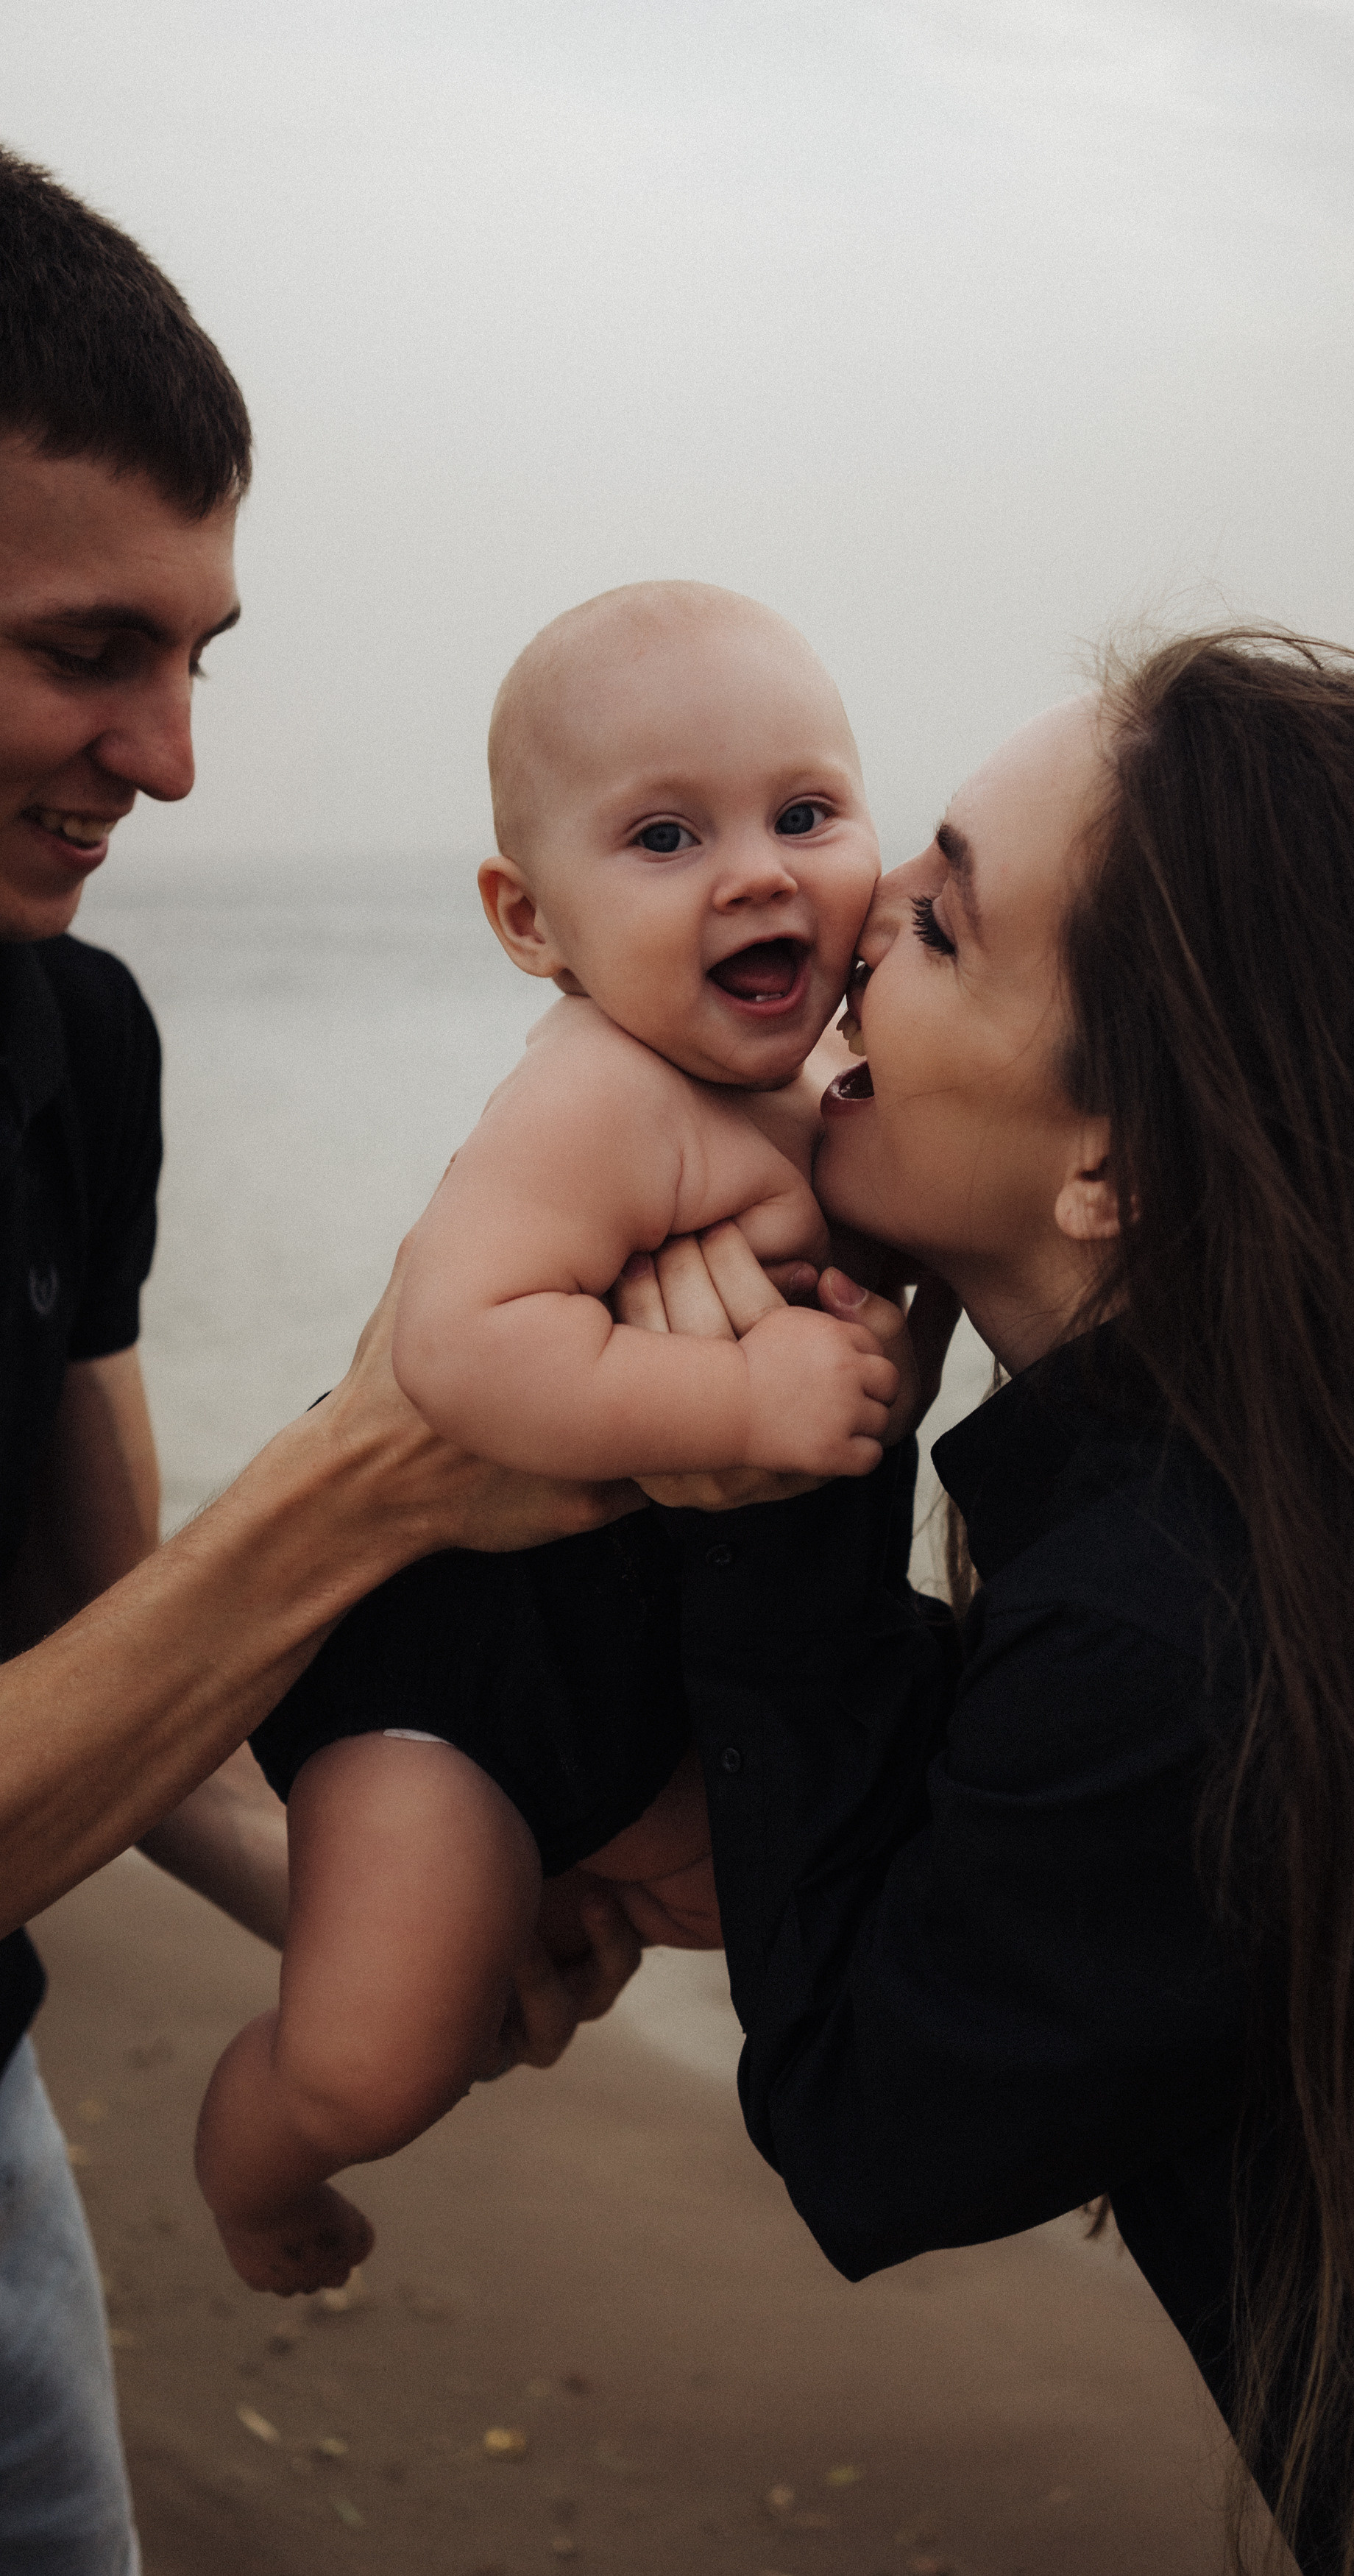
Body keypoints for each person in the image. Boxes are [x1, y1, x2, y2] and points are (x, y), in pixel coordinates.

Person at [618, 634, 1354, 2575]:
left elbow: (868, 2116)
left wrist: (792, 1462)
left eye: (941, 919)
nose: (852, 907)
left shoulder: (1180, 1642)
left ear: (1114, 1157)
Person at [0, 144, 704, 2571]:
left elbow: (106, 1689)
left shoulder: (74, 1048)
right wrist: (389, 1469)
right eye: (90, 651)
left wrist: (362, 1896)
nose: (170, 755)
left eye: (201, 654)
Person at [193, 579, 898, 2293]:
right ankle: (255, 2165)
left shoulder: (818, 1095)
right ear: (531, 919)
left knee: (785, 1882)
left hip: (625, 1658)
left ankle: (588, 1872)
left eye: (807, 814)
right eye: (666, 836)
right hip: (444, 1679)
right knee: (382, 2052)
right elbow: (453, 1345)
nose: (758, 869)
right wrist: (739, 1400)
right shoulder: (595, 1092)